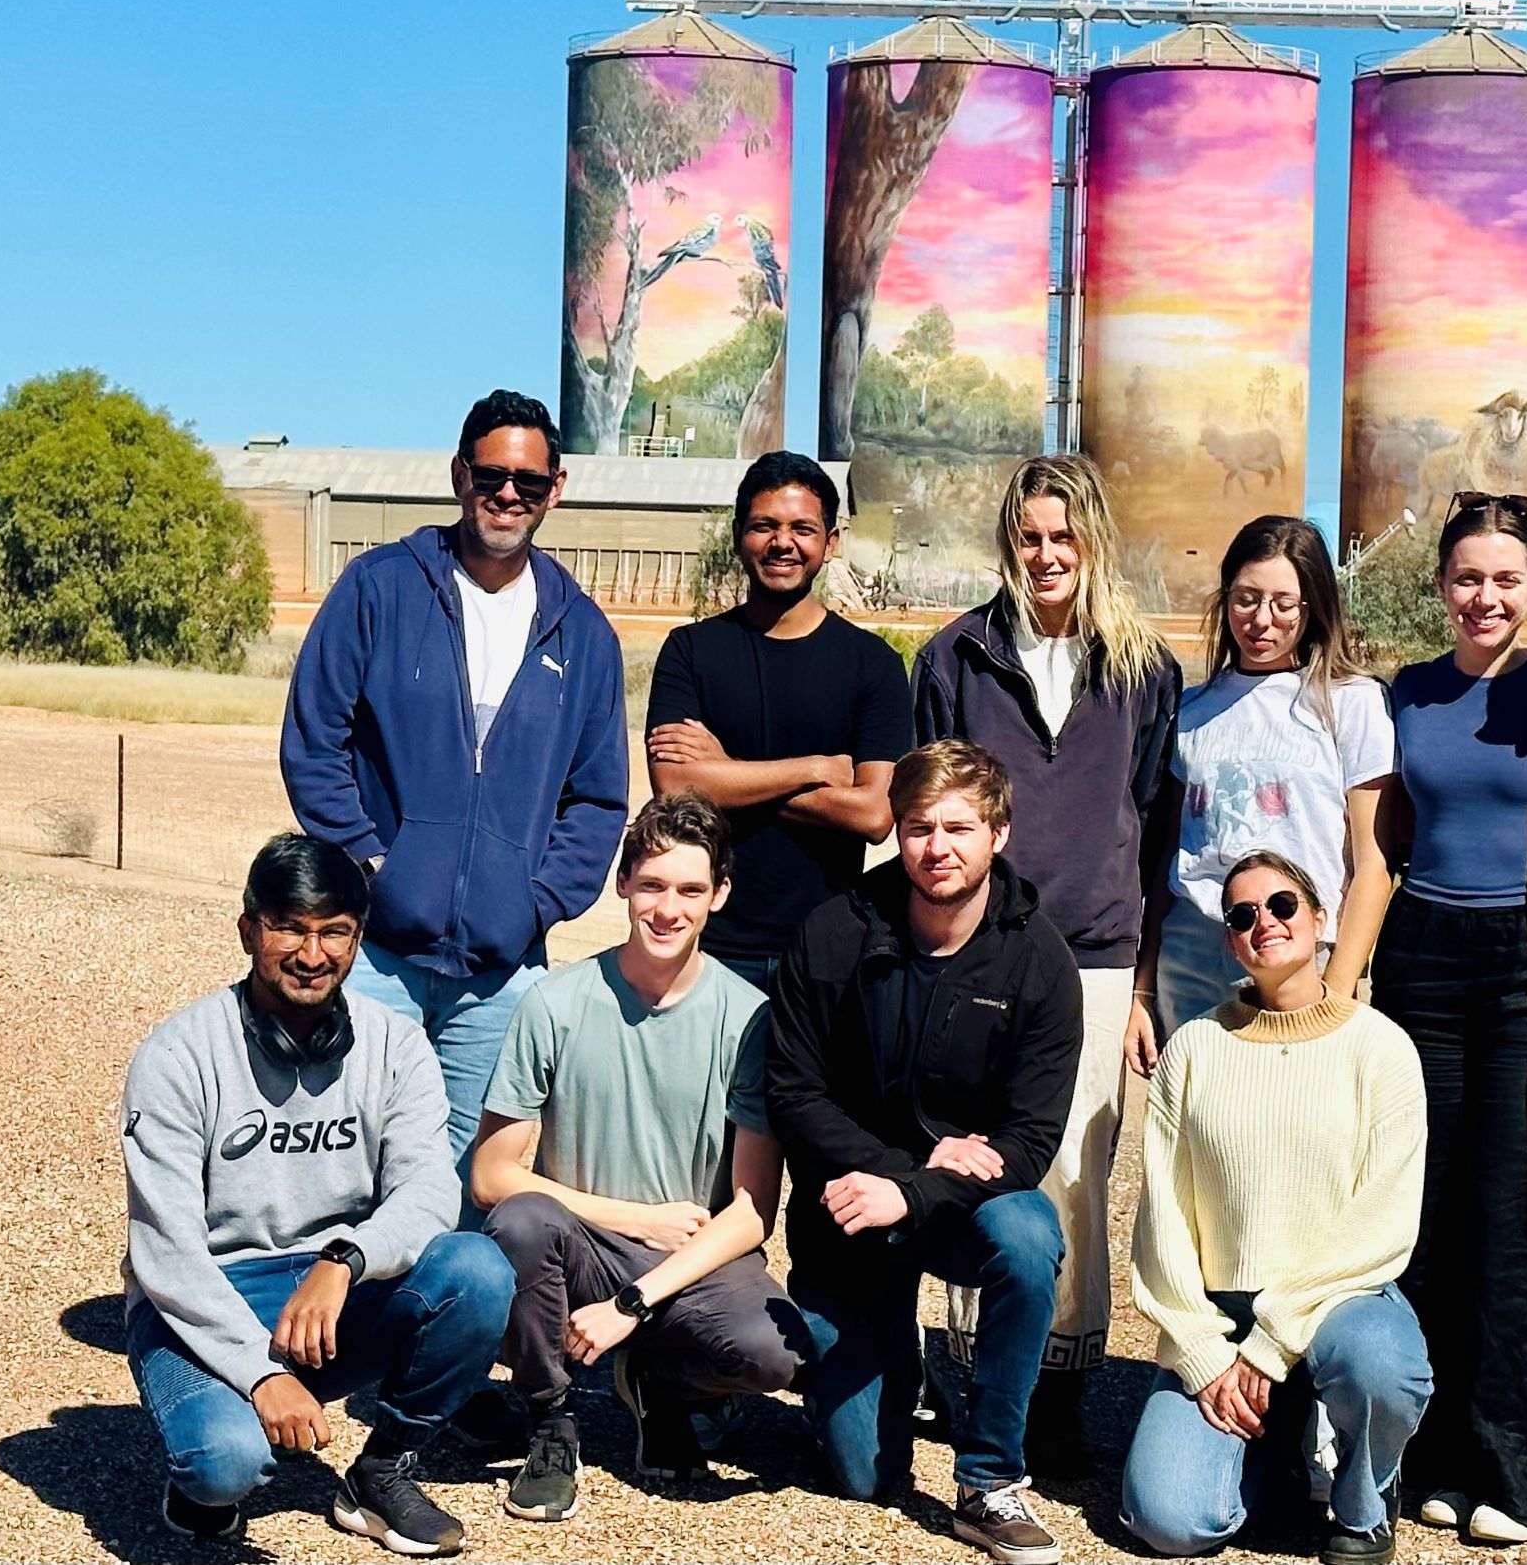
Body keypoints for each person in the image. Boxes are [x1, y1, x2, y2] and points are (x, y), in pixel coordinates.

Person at [120, 834, 514, 1556]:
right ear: (248, 929)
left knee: (479, 1271)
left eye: (334, 931)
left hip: (332, 1289)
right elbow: (167, 1254)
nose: (312, 953)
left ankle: (381, 1471)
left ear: (359, 938)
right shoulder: (178, 1054)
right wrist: (261, 1372)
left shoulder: (397, 1044)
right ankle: (204, 1462)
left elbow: (428, 1192)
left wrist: (346, 1257)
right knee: (225, 1466)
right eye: (290, 928)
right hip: (206, 1295)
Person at [911, 453, 1183, 1474]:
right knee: (980, 1164)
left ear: (1094, 542)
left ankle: (1060, 1387)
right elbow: (926, 819)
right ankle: (978, 1375)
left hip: (1102, 957)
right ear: (1007, 542)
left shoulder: (1144, 669)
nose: (1046, 553)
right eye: (1029, 535)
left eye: (1064, 536)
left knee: (1074, 1175)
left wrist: (1145, 982)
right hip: (984, 952)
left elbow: (1156, 829)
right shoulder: (954, 658)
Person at [279, 389, 629, 1182]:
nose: (507, 494)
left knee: (473, 1177)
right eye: (491, 474)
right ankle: (332, 1304)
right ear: (458, 473)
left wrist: (533, 902)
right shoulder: (379, 589)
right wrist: (370, 868)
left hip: (501, 975)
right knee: (347, 1154)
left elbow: (598, 797)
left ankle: (441, 1310)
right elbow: (314, 740)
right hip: (376, 953)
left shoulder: (582, 632)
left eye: (529, 483)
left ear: (556, 490)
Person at [766, 740, 1083, 1565]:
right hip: (850, 1211)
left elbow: (1029, 1138)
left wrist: (914, 1190)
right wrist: (899, 1172)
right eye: (916, 827)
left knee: (1029, 1236)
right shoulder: (835, 932)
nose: (937, 847)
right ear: (894, 834)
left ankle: (988, 1481)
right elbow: (795, 1092)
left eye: (958, 827)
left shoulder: (1039, 960)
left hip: (951, 1207)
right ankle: (890, 1355)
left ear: (999, 833)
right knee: (866, 1472)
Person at [467, 791, 805, 1521]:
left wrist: (633, 1305)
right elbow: (492, 1175)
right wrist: (632, 1217)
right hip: (582, 1241)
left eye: (689, 889)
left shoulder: (750, 1018)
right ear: (623, 884)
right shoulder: (554, 1002)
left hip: (692, 1253)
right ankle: (552, 1418)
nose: (667, 908)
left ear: (719, 894)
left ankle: (663, 1385)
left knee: (773, 1351)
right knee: (520, 1223)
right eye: (651, 884)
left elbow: (753, 1211)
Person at [1367, 494, 1527, 1547]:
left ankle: (1522, 1476)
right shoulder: (1405, 693)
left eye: (1504, 578)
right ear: (1440, 585)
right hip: (1421, 962)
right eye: (1465, 577)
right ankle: (1435, 1461)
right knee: (1426, 1221)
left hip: (1524, 973)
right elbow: (1387, 839)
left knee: (1516, 1224)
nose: (1483, 596)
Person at [1121, 852, 1431, 1565]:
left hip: (1337, 1300)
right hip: (1224, 1313)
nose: (1265, 922)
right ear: (1230, 939)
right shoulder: (1195, 1048)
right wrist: (1203, 1354)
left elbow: (1383, 1219)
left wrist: (1275, 1339)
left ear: (1320, 920)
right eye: (1243, 914)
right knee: (1169, 1521)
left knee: (1382, 1367)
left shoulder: (1379, 1048)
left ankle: (1364, 1500)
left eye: (1283, 904)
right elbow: (1162, 1221)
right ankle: (1275, 1452)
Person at [1129, 515, 1394, 1068]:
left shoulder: (1351, 703)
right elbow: (1164, 860)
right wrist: (1144, 987)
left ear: (1312, 606)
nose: (1262, 620)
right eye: (1246, 598)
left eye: (1283, 602)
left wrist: (1338, 990)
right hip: (1194, 953)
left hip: (1299, 959)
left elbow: (1373, 864)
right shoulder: (1192, 710)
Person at [645, 450, 911, 994]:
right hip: (708, 946)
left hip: (827, 950)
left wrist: (724, 773)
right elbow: (674, 785)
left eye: (802, 529)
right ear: (739, 534)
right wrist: (816, 768)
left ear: (830, 543)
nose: (782, 542)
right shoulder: (691, 651)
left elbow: (875, 814)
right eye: (764, 525)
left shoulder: (873, 664)